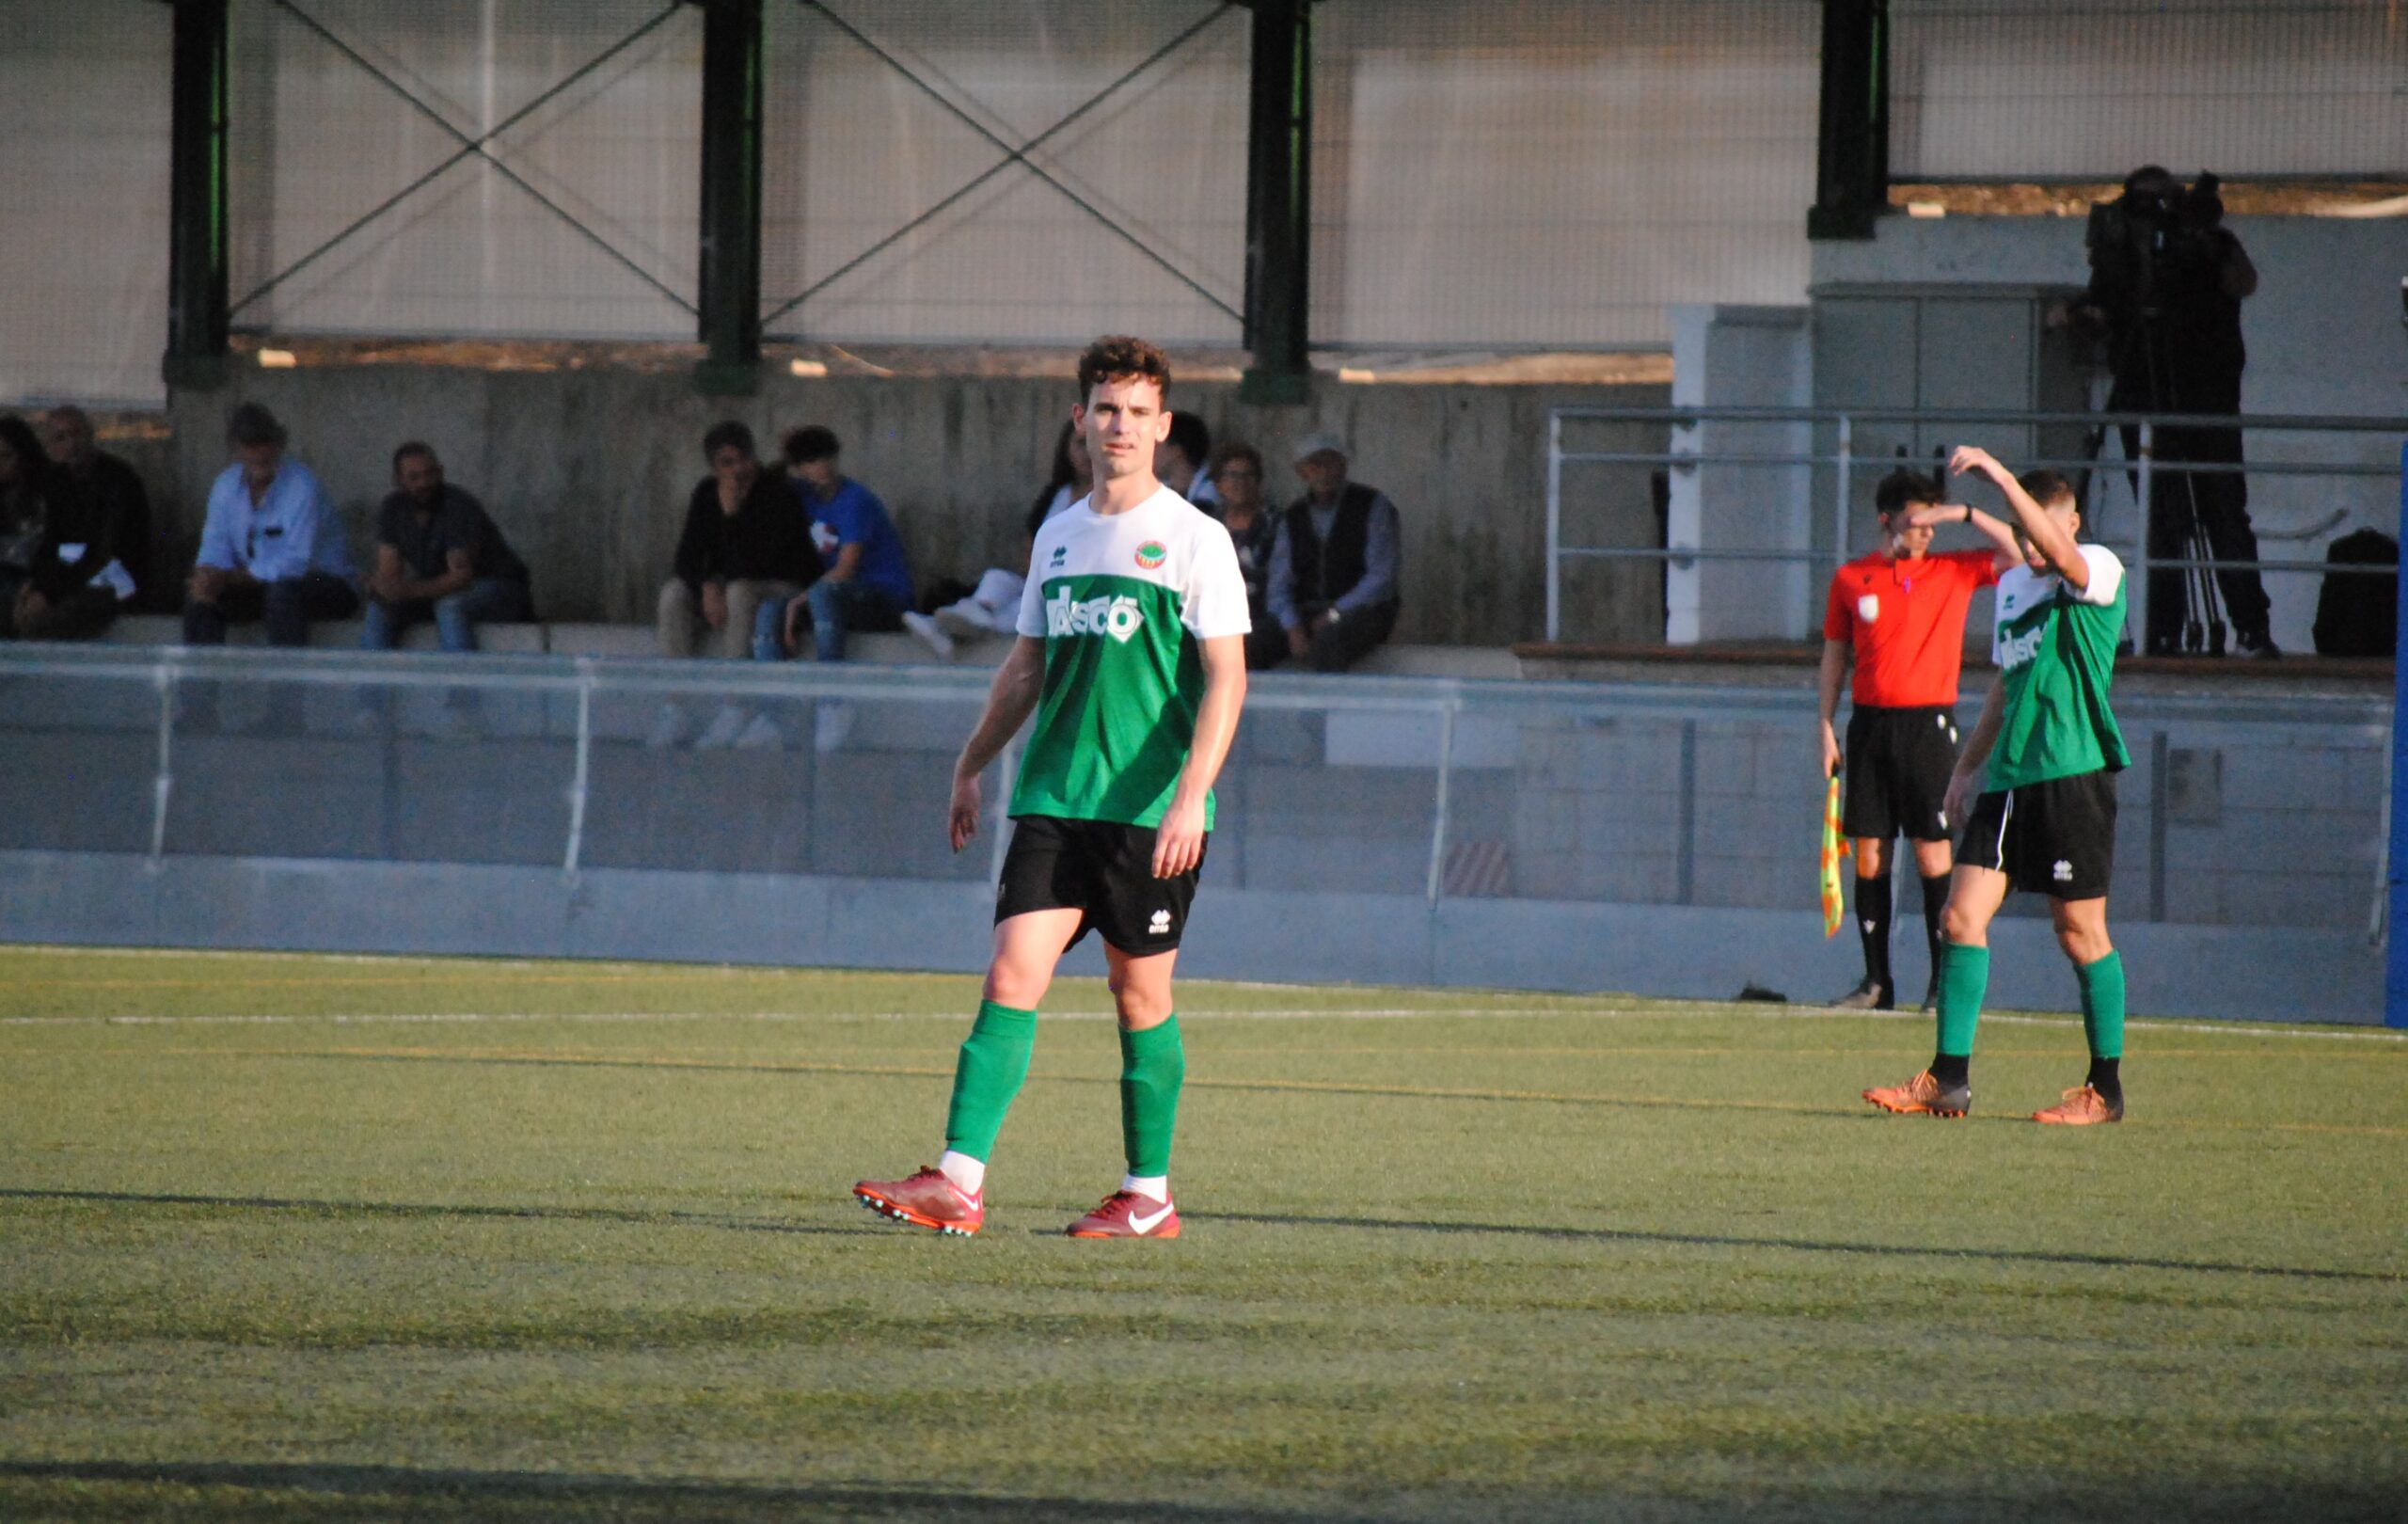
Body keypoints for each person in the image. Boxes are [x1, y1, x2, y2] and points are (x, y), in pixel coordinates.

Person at [854, 334, 1250, 1239]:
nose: (1119, 426)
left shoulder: (1196, 540)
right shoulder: (1059, 535)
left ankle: (1149, 1195)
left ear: (1163, 426)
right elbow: (1024, 669)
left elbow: (1228, 678)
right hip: (1052, 800)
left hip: (1150, 813)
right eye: (1104, 409)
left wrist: (1192, 795)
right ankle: (958, 1182)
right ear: (1080, 421)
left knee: (1138, 997)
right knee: (1009, 974)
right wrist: (971, 763)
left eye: (1137, 412)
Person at [1864, 449, 2131, 1127]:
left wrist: (2000, 480)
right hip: (2009, 781)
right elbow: (2004, 691)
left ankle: (2105, 1089)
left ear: (2072, 524)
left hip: (2073, 776)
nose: (2038, 543)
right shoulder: (2015, 589)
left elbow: (2062, 559)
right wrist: (1963, 771)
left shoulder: (2097, 568)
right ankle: (1947, 1080)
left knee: (2079, 931)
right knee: (1960, 919)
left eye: (2047, 526)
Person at [1816, 468, 2012, 1012]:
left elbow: (2029, 553)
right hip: (1871, 727)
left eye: (1934, 520)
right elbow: (1835, 652)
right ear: (1887, 520)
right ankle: (1876, 983)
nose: (1927, 531)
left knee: (1931, 852)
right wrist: (1825, 724)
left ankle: (1938, 984)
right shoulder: (1852, 578)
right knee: (1870, 853)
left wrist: (1966, 515)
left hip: (1929, 725)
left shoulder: (1953, 570)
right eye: (1916, 520)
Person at [2067, 165, 2273, 659]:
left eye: (2163, 202)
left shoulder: (2207, 244)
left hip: (2207, 400)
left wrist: (2205, 241)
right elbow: (2095, 309)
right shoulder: (2120, 256)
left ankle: (2251, 629)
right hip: (2144, 397)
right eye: (2144, 203)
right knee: (2161, 520)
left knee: (2223, 512)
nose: (2154, 215)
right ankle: (2162, 630)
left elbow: (2245, 283)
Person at [900, 421, 1091, 657]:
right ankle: (966, 617)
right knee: (996, 578)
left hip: (1079, 593)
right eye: (1081, 444)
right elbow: (1030, 547)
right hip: (1039, 580)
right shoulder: (1056, 493)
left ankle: (942, 626)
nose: (1088, 453)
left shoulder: (1112, 498)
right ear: (1066, 448)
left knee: (1026, 607)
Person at [182, 403, 358, 646]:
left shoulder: (302, 485)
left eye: (264, 444)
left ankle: (287, 678)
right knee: (199, 597)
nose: (259, 453)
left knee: (283, 593)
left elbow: (295, 562)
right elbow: (215, 543)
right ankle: (200, 677)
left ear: (278, 445)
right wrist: (208, 575)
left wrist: (233, 577)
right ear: (236, 450)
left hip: (324, 581)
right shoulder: (225, 486)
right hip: (257, 582)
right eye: (250, 446)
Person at [657, 420, 817, 664]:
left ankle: (733, 686)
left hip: (777, 583)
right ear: (714, 468)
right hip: (726, 583)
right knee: (673, 593)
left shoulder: (777, 494)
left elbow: (756, 564)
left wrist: (732, 516)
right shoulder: (706, 493)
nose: (738, 469)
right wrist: (707, 584)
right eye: (727, 463)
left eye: (743, 459)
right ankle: (675, 686)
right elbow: (686, 556)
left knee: (739, 592)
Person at [360, 442, 533, 653]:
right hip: (441, 589)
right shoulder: (392, 508)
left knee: (450, 606)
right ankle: (373, 683)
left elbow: (461, 577)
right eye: (414, 477)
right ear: (398, 481)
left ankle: (461, 683)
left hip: (500, 588)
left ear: (441, 472)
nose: (424, 483)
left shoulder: (458, 506)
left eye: (430, 474)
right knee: (380, 607)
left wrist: (409, 590)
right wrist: (381, 587)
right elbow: (390, 569)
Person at [1263, 431, 1402, 672]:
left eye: (1331, 463)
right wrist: (1292, 626)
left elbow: (1382, 578)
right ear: (1302, 472)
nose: (1324, 472)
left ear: (1344, 466)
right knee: (1253, 642)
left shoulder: (1372, 506)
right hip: (1308, 611)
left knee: (1328, 643)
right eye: (1315, 465)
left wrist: (1335, 613)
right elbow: (1278, 585)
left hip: (1363, 612)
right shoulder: (1292, 517)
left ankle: (1323, 710)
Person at [776, 426, 912, 662]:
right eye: (812, 460)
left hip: (884, 598)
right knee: (771, 609)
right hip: (837, 596)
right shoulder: (805, 496)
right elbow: (769, 479)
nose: (823, 465)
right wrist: (787, 453)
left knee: (822, 594)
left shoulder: (855, 500)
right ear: (799, 468)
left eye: (828, 457)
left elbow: (846, 569)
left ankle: (829, 679)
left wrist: (800, 601)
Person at [0, 415, 127, 640]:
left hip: (73, 579)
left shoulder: (56, 488)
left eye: (6, 456)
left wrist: (43, 590)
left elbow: (73, 550)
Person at [41, 405, 155, 611]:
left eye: (77, 433)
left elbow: (108, 550)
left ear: (90, 434)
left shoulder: (119, 479)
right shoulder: (54, 481)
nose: (72, 444)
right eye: (61, 437)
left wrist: (50, 592)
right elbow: (48, 541)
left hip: (114, 581)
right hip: (68, 578)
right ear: (50, 447)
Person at [1208, 443, 1287, 671]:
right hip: (1214, 613)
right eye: (1232, 475)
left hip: (1261, 614)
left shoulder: (1274, 522)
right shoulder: (1208, 523)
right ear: (1219, 483)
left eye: (1248, 475)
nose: (1240, 482)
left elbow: (1280, 580)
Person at [1157, 410, 1217, 513]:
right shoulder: (1162, 491)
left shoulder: (1210, 493)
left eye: (1156, 444)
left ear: (1176, 450)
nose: (1150, 451)